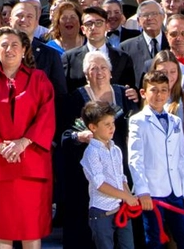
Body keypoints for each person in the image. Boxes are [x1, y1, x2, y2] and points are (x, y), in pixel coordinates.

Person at [0, 26, 57, 249]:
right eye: (4, 45)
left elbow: (46, 115)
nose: (9, 50)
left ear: (24, 49)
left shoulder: (39, 79)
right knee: (1, 231)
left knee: (31, 231)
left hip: (32, 167)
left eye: (14, 45)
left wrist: (23, 143)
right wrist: (1, 146)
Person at [58, 50, 139, 249]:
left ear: (111, 72)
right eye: (93, 69)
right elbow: (64, 135)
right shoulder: (75, 98)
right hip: (89, 180)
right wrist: (79, 136)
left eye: (103, 67)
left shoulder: (126, 94)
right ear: (86, 74)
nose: (99, 72)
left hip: (121, 169)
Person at [128, 70, 184, 249]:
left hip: (176, 191)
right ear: (144, 93)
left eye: (163, 90)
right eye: (154, 90)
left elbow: (181, 157)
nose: (159, 95)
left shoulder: (175, 121)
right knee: (154, 240)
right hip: (153, 191)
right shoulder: (138, 121)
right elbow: (135, 158)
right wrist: (142, 191)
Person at [78, 100, 140, 249]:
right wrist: (126, 196)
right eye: (106, 124)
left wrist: (128, 197)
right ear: (93, 127)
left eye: (112, 123)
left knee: (128, 245)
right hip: (101, 213)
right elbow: (99, 184)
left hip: (121, 208)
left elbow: (121, 177)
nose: (112, 127)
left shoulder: (116, 149)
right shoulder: (91, 152)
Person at [63, 7, 136, 92]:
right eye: (89, 23)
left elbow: (130, 88)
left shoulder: (123, 57)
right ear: (83, 29)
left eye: (99, 23)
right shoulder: (69, 58)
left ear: (106, 26)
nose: (93, 27)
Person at [117, 0, 169, 80]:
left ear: (162, 17)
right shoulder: (126, 47)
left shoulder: (172, 43)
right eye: (145, 15)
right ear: (138, 21)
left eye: (154, 14)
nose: (150, 18)